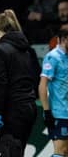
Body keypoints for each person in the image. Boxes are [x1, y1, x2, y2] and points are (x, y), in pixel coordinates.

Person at [0, 9, 37, 155]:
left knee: (7, 152)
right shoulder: (27, 50)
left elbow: (1, 85)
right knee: (18, 150)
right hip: (29, 107)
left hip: (13, 110)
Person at [39, 29, 68, 157]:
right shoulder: (52, 57)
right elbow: (42, 85)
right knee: (61, 151)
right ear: (64, 39)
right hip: (58, 112)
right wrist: (47, 112)